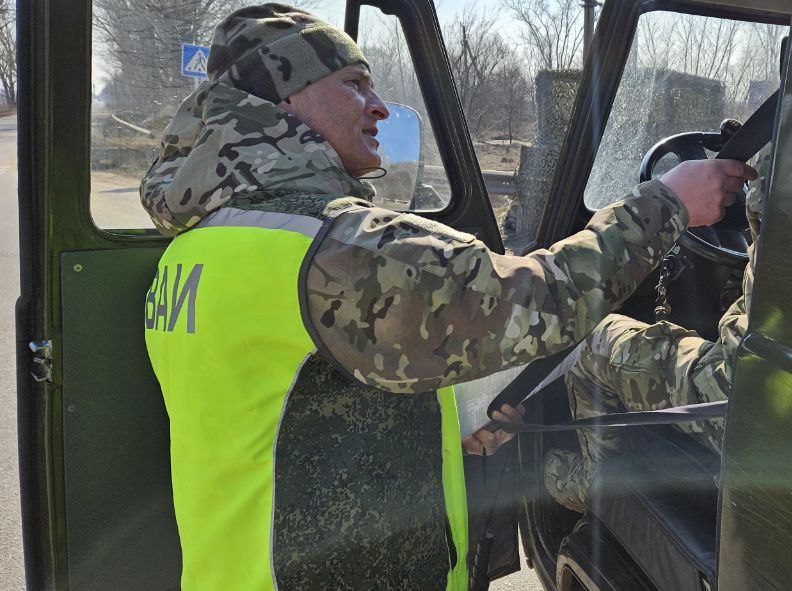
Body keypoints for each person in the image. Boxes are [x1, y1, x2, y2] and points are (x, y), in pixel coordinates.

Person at [139, 4, 754, 589]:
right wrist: (669, 202)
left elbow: (289, 408)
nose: (379, 107)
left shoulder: (200, 246)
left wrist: (453, 419)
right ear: (285, 97)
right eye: (355, 84)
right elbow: (545, 298)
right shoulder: (334, 246)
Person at [543, 149, 770, 513]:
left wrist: (671, 201)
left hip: (747, 396)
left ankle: (594, 481)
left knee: (593, 341)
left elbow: (555, 290)